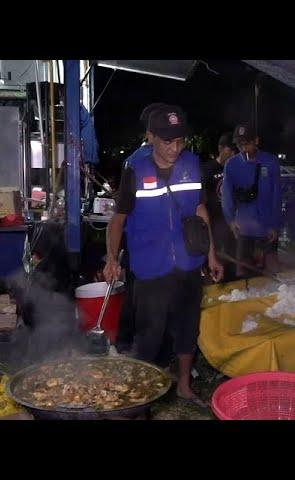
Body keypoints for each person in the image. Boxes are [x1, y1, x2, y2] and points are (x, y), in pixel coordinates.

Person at [104, 104, 223, 407]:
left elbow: (200, 210)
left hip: (187, 262)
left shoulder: (192, 165)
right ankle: (140, 395)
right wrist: (111, 258)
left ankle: (183, 385)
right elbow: (117, 221)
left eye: (180, 141)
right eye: (168, 141)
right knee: (150, 333)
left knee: (187, 326)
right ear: (151, 137)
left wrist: (211, 255)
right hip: (150, 265)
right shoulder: (135, 170)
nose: (175, 148)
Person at [115, 102, 169, 354]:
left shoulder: (136, 160)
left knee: (137, 295)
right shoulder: (139, 162)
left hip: (148, 243)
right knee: (147, 299)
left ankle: (129, 344)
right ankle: (146, 351)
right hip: (147, 244)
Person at [221, 124, 282, 277]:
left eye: (247, 143)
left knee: (272, 272)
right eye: (240, 145)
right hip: (244, 228)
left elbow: (277, 195)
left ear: (256, 141)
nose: (244, 148)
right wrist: (231, 221)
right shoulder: (231, 165)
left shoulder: (271, 162)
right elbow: (226, 195)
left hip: (267, 226)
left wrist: (274, 225)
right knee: (244, 274)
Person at [201, 132, 237, 281]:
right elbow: (201, 202)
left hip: (230, 223)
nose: (234, 153)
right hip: (213, 224)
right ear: (221, 148)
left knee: (233, 267)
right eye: (231, 149)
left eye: (235, 150)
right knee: (216, 266)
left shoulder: (235, 168)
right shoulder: (207, 169)